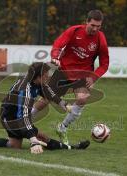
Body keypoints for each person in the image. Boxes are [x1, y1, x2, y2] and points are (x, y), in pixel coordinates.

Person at [0, 62, 90, 154]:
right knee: (43, 138)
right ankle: (73, 148)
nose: (48, 77)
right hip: (13, 120)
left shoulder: (35, 82)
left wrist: (64, 104)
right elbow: (23, 117)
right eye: (46, 75)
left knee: (14, 146)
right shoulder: (24, 90)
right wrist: (33, 140)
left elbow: (48, 92)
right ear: (38, 77)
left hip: (12, 117)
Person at [32, 10, 109, 145]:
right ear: (87, 22)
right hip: (64, 71)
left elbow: (105, 64)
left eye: (98, 26)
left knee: (82, 98)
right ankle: (25, 120)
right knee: (45, 99)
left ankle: (62, 128)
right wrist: (55, 57)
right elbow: (58, 44)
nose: (95, 29)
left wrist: (94, 77)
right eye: (92, 25)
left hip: (83, 75)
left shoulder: (100, 39)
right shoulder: (74, 31)